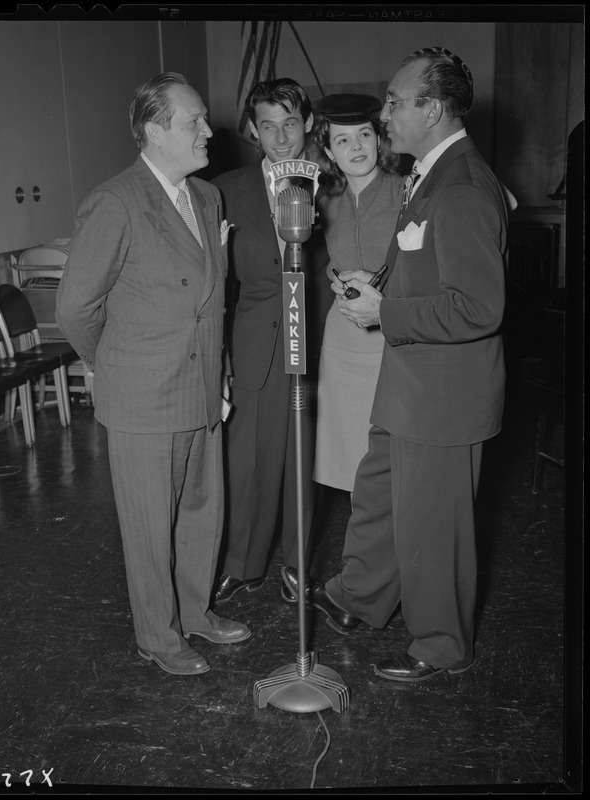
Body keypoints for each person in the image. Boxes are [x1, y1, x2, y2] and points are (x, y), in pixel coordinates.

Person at [311, 47, 508, 682]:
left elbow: (478, 307)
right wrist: (380, 287)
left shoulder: (464, 185)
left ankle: (442, 646)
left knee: (434, 525)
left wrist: (383, 313)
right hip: (409, 383)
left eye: (395, 103)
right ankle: (359, 597)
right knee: (377, 496)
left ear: (433, 109)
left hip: (443, 397)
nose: (385, 113)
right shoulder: (430, 173)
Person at [56, 73, 250, 677]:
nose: (206, 129)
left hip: (200, 386)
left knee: (200, 513)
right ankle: (157, 636)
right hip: (142, 393)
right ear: (153, 130)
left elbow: (214, 297)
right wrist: (112, 364)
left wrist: (219, 373)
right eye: (191, 120)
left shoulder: (208, 197)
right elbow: (74, 308)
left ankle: (195, 613)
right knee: (149, 526)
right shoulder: (116, 201)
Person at [211, 78, 330, 606]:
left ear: (306, 122)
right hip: (257, 340)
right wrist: (222, 356)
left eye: (289, 123)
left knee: (304, 460)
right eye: (267, 126)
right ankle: (243, 562)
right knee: (250, 460)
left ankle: (296, 566)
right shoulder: (225, 190)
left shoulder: (334, 180)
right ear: (254, 131)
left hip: (321, 340)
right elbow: (218, 283)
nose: (280, 138)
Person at [308, 94, 404, 494]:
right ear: (329, 150)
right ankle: (364, 547)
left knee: (394, 458)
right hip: (344, 338)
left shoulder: (408, 189)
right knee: (349, 458)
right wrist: (337, 275)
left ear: (379, 139)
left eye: (364, 134)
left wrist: (384, 279)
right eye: (342, 140)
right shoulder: (322, 198)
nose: (356, 147)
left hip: (395, 335)